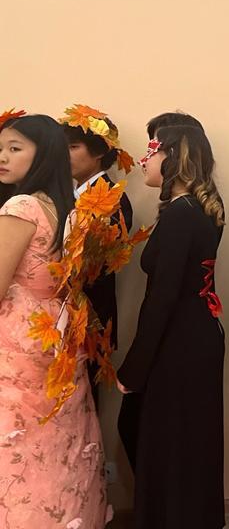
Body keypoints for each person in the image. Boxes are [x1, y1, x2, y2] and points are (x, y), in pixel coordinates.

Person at [0, 112, 108, 528]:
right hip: (55, 329)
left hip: (17, 334)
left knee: (18, 439)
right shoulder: (65, 205)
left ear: (43, 154)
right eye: (1, 148)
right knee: (54, 438)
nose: (3, 157)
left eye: (15, 148)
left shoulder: (22, 205)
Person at [117, 125, 226, 529]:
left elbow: (163, 297)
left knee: (177, 444)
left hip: (182, 341)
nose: (144, 161)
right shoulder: (187, 210)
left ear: (174, 160)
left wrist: (134, 368)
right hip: (191, 335)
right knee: (179, 442)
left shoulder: (183, 215)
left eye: (152, 152)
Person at [60, 104, 135, 406]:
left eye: (73, 147)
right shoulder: (69, 194)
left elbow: (94, 264)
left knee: (83, 401)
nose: (64, 154)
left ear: (100, 151)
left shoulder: (112, 197)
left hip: (89, 316)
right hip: (62, 314)